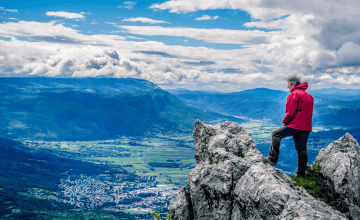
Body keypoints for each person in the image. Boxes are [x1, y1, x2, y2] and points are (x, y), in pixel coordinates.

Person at [264, 75, 314, 178]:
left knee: (275, 135)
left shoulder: (293, 95)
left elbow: (290, 113)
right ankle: (301, 175)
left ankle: (272, 159)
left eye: (288, 85)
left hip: (295, 125)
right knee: (302, 149)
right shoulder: (309, 96)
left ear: (292, 85)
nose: (287, 87)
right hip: (306, 127)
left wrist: (285, 123)